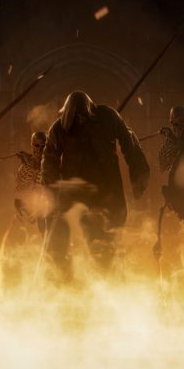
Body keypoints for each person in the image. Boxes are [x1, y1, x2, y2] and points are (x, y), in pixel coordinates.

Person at [40, 90, 150, 282]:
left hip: (107, 191)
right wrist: (53, 195)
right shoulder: (59, 128)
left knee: (106, 242)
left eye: (83, 116)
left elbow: (129, 142)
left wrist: (138, 175)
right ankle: (62, 282)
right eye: (76, 118)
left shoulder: (108, 117)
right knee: (60, 241)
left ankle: (107, 282)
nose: (80, 120)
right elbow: (49, 161)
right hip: (75, 194)